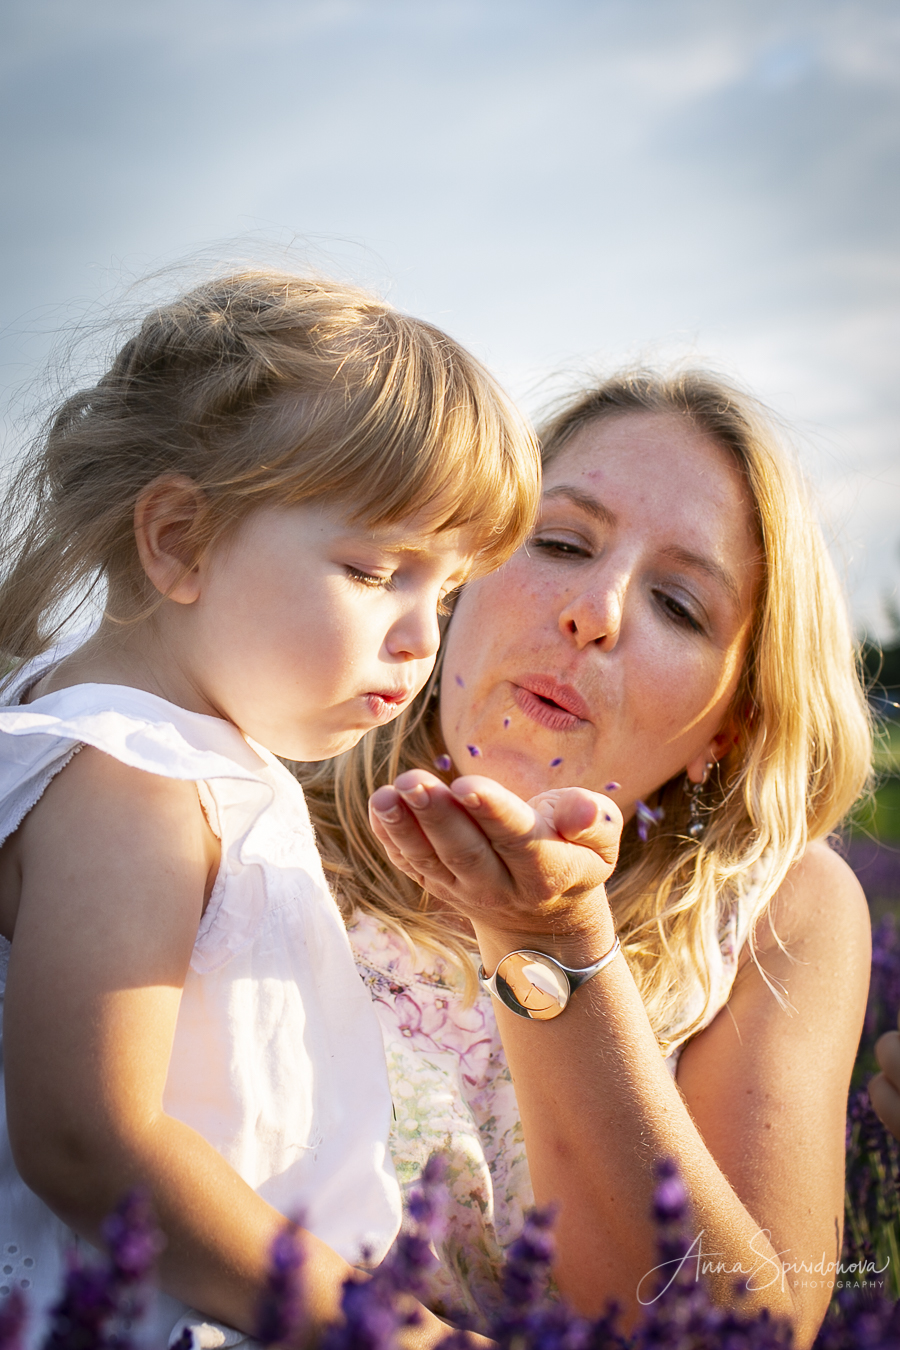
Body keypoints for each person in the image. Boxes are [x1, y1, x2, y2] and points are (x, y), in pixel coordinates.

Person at [0, 271, 540, 1348]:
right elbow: (91, 1140)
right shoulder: (133, 783)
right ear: (180, 541)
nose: (421, 639)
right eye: (376, 571)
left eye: (444, 592)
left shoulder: (179, 755)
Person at [302, 368, 873, 1350]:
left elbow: (735, 1331)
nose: (596, 609)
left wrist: (551, 942)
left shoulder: (777, 912)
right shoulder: (255, 798)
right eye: (561, 543)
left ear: (729, 728)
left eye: (679, 605)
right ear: (463, 571)